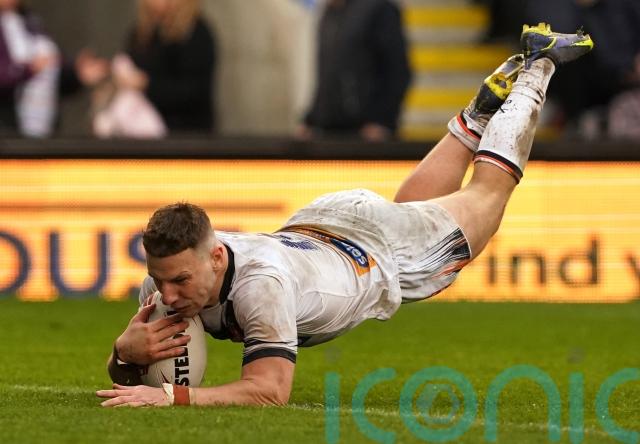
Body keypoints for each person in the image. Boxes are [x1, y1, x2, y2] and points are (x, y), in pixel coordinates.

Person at [96, 23, 593, 407]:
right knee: (408, 214)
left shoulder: (259, 286)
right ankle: (480, 112)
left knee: (489, 192)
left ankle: (538, 65)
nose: (168, 295)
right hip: (326, 222)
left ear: (217, 258)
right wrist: (124, 353)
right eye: (161, 279)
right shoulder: (165, 284)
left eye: (181, 280)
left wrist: (174, 398)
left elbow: (269, 390)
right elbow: (130, 377)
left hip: (369, 254)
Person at [297, 0, 412, 142]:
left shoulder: (379, 9)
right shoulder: (328, 14)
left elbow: (398, 70)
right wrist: (311, 119)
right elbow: (328, 75)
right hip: (329, 130)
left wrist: (382, 121)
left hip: (366, 133)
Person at [0, 0, 107, 137]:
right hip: (7, 129)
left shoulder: (31, 21)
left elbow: (51, 69)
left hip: (43, 126)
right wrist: (27, 70)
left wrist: (76, 74)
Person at [117, 0, 216, 135]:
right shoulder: (141, 34)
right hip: (139, 129)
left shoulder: (196, 32)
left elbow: (195, 90)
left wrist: (146, 84)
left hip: (185, 131)